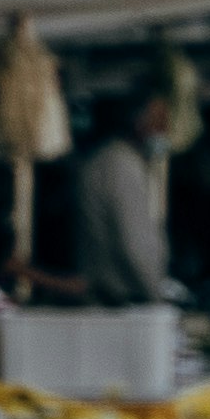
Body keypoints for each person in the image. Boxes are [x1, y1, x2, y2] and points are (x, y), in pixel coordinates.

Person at [76, 90, 177, 311]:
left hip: (115, 300)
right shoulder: (121, 165)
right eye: (158, 122)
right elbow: (134, 243)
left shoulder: (112, 160)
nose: (164, 130)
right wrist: (158, 300)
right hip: (119, 302)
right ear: (137, 123)